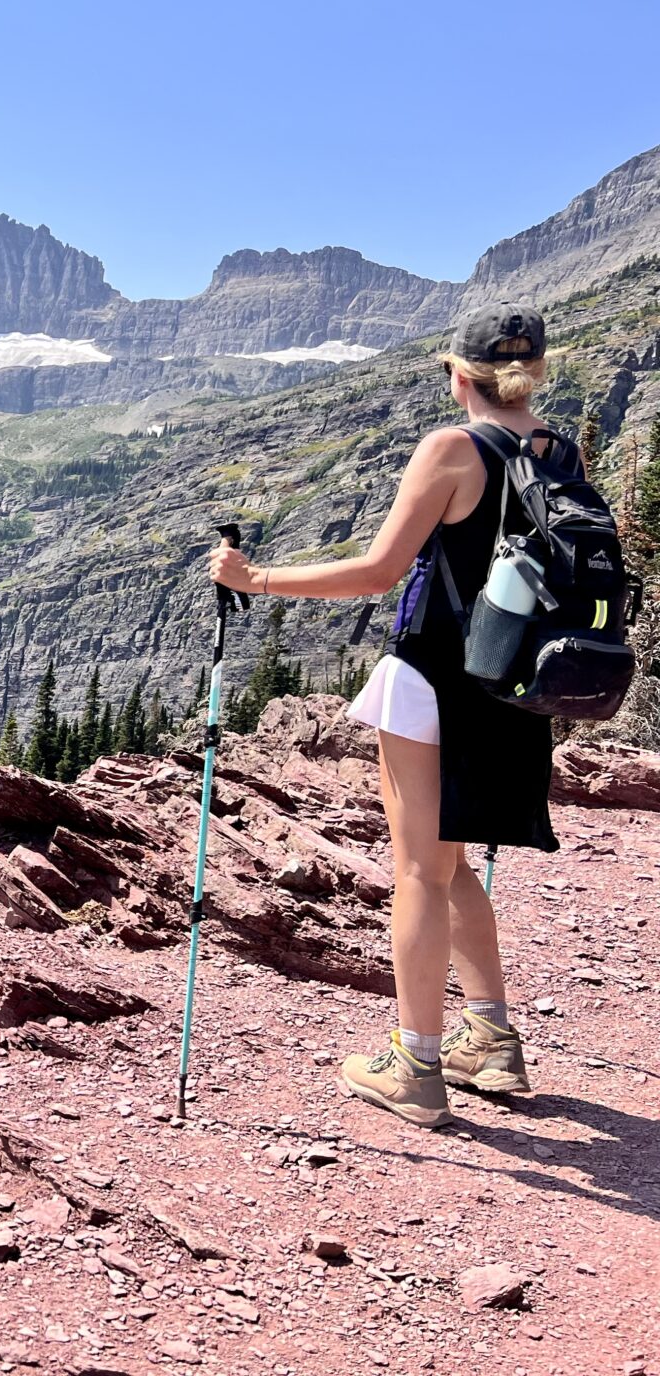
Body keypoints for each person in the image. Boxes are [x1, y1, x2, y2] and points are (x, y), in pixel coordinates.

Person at [208, 303, 558, 1128]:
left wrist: (253, 579)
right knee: (453, 863)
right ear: (533, 372)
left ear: (456, 374)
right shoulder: (558, 448)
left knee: (418, 872)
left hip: (435, 677)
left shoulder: (452, 448)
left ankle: (416, 1065)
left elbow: (377, 571)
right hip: (511, 687)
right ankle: (493, 1042)